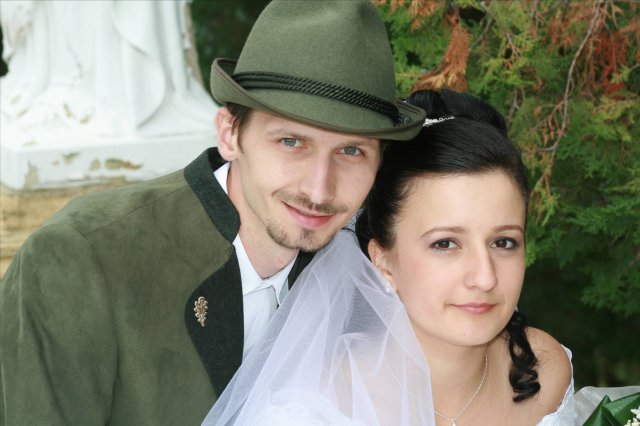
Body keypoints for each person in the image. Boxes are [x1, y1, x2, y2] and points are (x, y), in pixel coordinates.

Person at [0, 1, 426, 424]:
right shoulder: (80, 259)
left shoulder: (371, 276)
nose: (319, 189)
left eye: (350, 151)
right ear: (229, 134)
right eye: (291, 142)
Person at [202, 89, 577, 426]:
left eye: (504, 242)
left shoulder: (544, 370)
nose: (485, 277)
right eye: (445, 244)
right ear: (383, 261)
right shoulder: (312, 412)